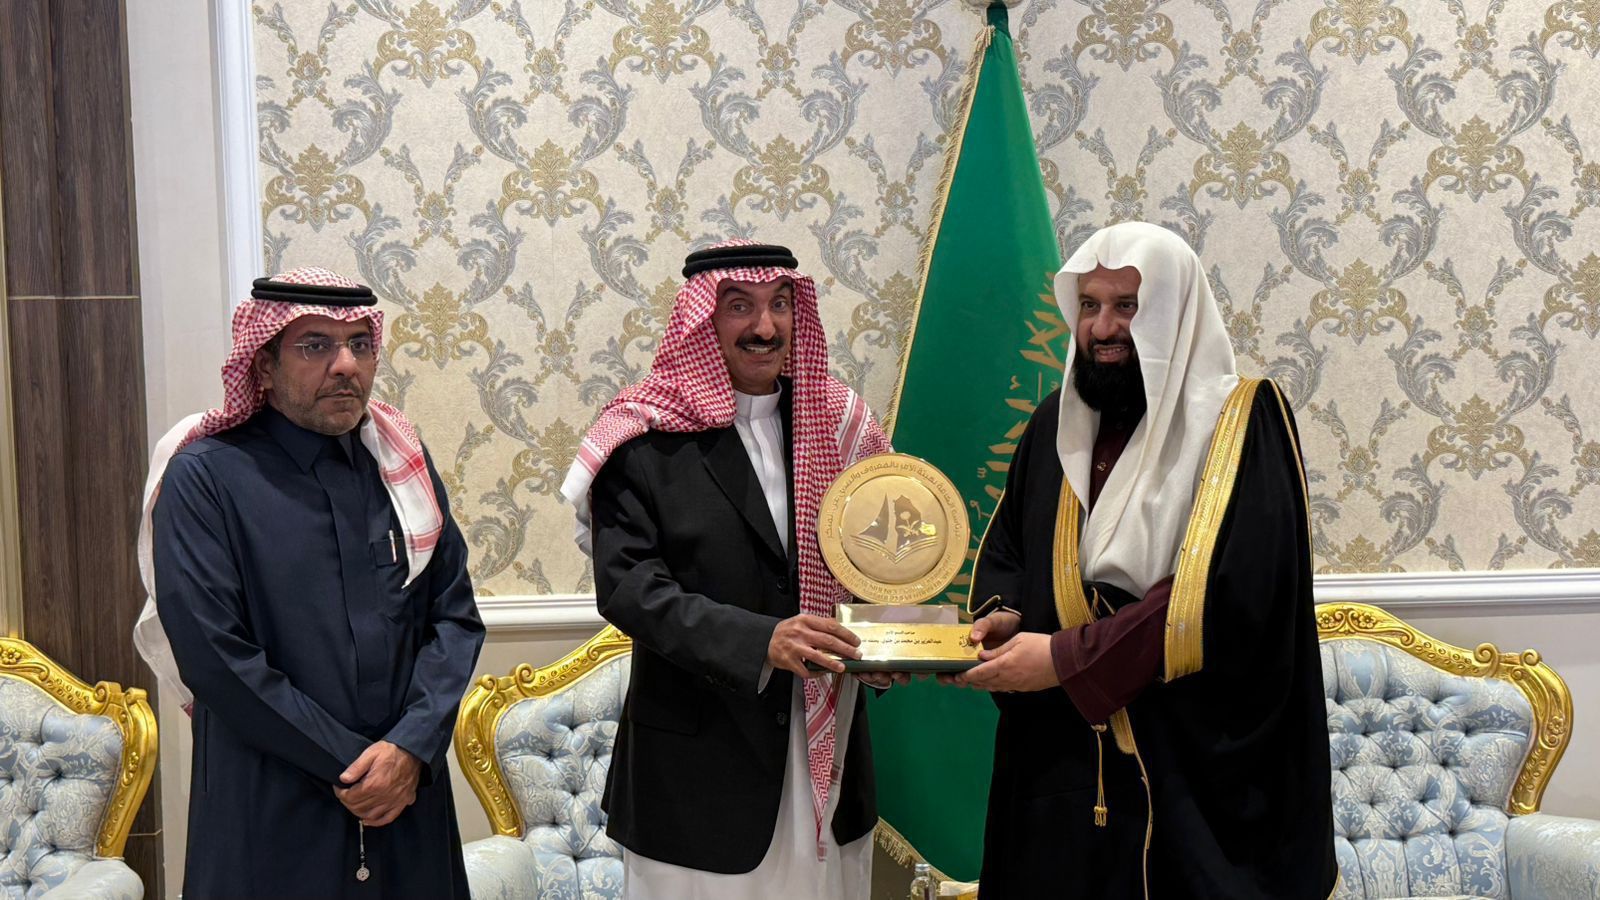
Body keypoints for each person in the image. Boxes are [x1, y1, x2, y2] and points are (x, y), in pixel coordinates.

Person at [947, 223, 1336, 898]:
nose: (1103, 328)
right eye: (1089, 306)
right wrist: (1006, 615)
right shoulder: (1056, 422)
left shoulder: (1244, 421)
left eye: (1125, 306)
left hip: (1192, 764)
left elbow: (1230, 593)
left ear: (1173, 310)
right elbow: (1011, 545)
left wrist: (1066, 658)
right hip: (1062, 757)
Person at [134, 267, 484, 898]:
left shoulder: (399, 464)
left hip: (407, 802)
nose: (345, 365)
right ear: (263, 365)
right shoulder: (204, 478)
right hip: (272, 804)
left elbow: (454, 617)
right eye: (315, 345)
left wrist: (410, 748)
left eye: (359, 344)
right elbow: (216, 658)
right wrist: (355, 767)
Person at [560, 240, 894, 898]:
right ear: (702, 319)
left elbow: (880, 562)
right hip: (697, 781)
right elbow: (630, 588)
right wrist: (761, 641)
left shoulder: (841, 426)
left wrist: (885, 645)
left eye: (779, 305)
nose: (764, 327)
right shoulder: (642, 438)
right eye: (739, 306)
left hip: (828, 764)